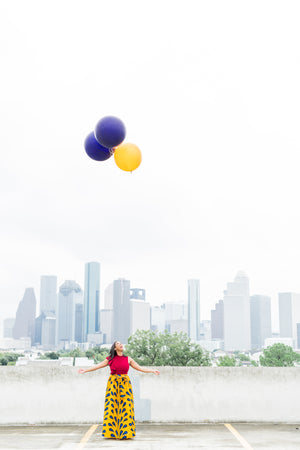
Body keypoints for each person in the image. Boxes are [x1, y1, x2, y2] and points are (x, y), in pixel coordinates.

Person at [78, 340, 160, 440]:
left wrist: (152, 371)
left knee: (126, 408)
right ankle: (112, 433)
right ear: (115, 348)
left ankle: (125, 433)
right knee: (112, 407)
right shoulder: (110, 359)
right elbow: (97, 366)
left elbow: (139, 368)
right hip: (113, 385)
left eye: (121, 343)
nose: (121, 344)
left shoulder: (128, 359)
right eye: (118, 344)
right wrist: (85, 370)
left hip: (125, 385)